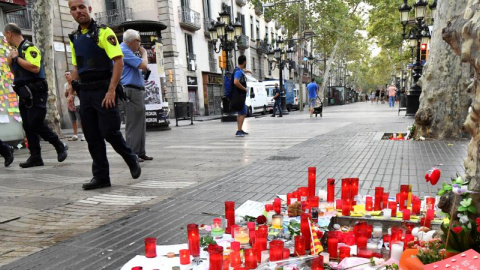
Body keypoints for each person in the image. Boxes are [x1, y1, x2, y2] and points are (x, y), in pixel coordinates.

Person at [67, 0, 141, 190]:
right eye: (74, 9)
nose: (78, 11)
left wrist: (110, 90)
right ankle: (101, 177)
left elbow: (118, 62)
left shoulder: (103, 33)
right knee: (92, 136)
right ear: (71, 12)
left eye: (81, 7)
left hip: (103, 90)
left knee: (110, 132)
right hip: (85, 92)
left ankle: (131, 157)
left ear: (89, 9)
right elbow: (77, 67)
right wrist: (70, 91)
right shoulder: (74, 37)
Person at [4, 23, 68, 168]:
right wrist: (10, 63)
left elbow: (35, 67)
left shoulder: (28, 48)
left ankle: (59, 145)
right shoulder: (17, 51)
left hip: (36, 92)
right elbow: (18, 74)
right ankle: (35, 157)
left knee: (35, 122)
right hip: (24, 93)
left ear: (9, 33)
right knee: (28, 125)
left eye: (5, 35)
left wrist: (16, 59)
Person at [120, 29, 153, 162]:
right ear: (134, 41)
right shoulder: (124, 50)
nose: (140, 45)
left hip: (136, 90)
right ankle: (132, 153)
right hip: (131, 90)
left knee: (140, 123)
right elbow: (143, 64)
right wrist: (144, 53)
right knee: (133, 123)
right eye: (139, 42)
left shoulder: (128, 52)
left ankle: (140, 151)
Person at [64, 71, 84, 141]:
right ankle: (75, 135)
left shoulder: (75, 83)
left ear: (71, 75)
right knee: (73, 120)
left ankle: (84, 134)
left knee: (80, 120)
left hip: (77, 103)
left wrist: (72, 92)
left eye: (68, 74)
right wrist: (67, 92)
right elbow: (66, 95)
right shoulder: (65, 85)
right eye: (65, 75)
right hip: (70, 105)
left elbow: (79, 93)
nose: (66, 76)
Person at [233, 55, 248, 137]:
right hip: (240, 95)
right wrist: (244, 89)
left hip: (239, 95)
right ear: (244, 62)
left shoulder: (238, 70)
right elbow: (236, 82)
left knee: (240, 113)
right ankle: (239, 131)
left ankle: (240, 129)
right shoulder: (238, 72)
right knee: (243, 113)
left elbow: (240, 73)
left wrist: (246, 71)